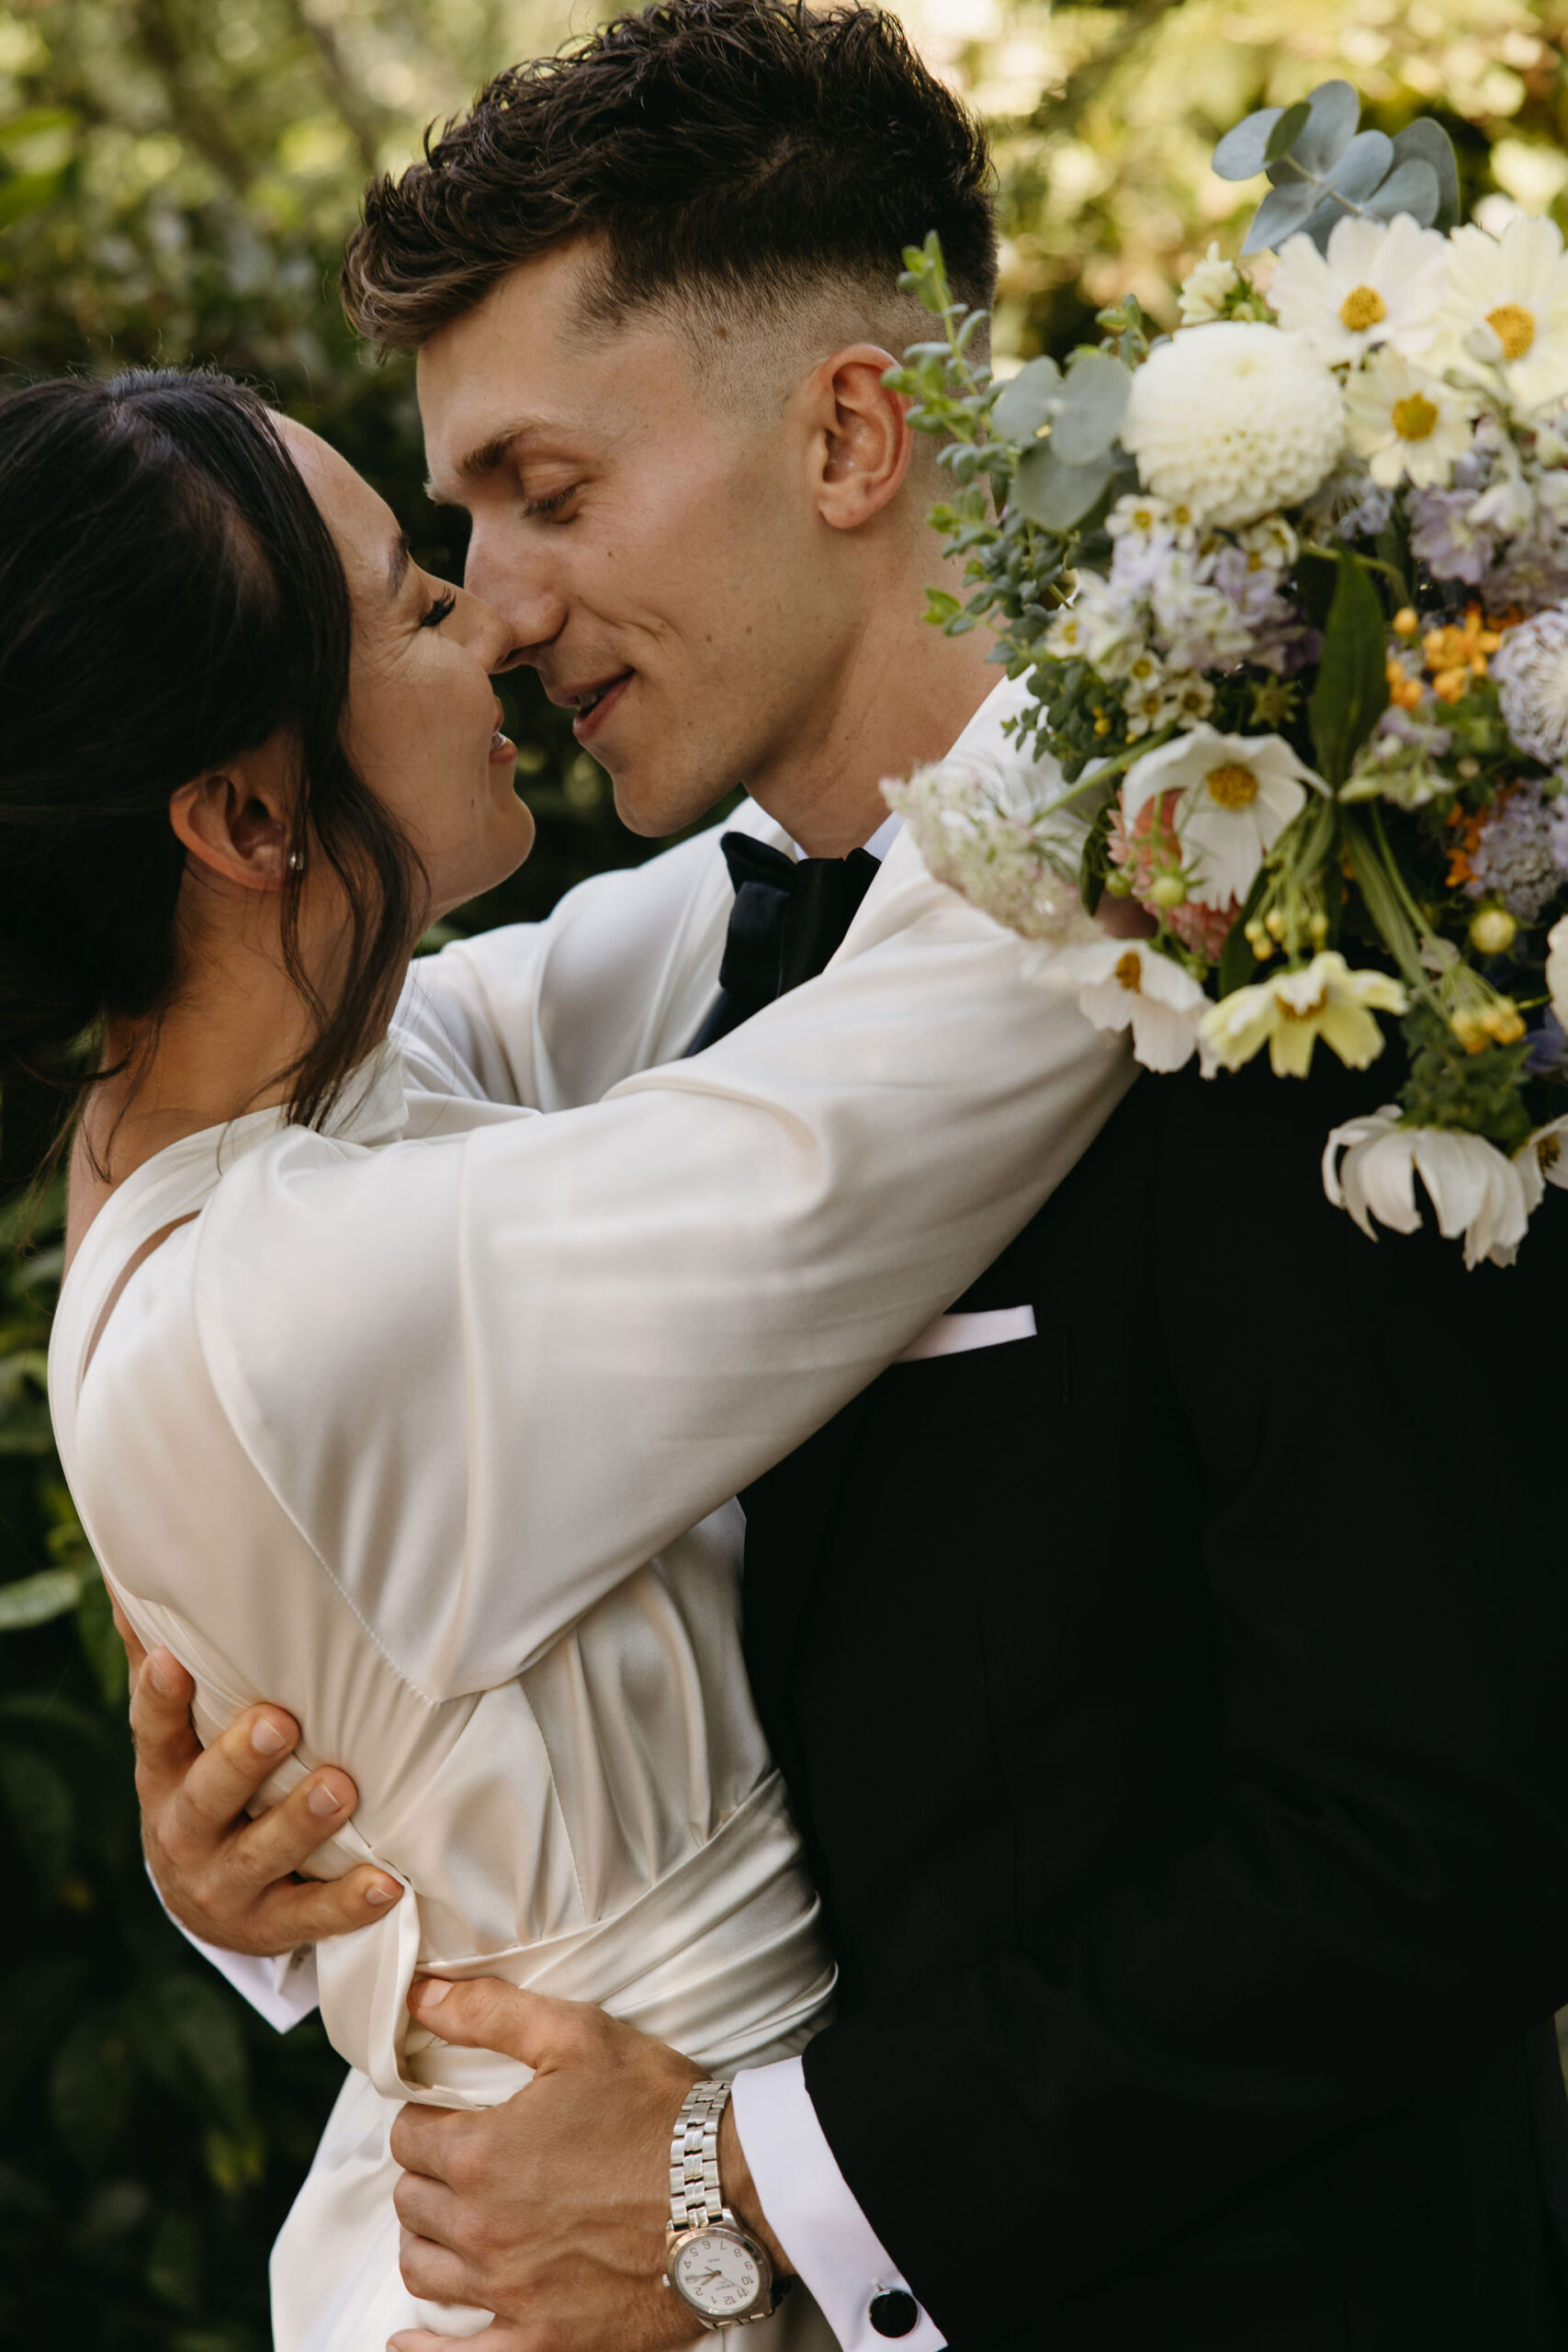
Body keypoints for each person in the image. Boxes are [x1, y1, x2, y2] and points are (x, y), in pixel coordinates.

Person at [129, 6, 1568, 2347]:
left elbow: (1445, 1829)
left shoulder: (1290, 934)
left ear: (851, 431)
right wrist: (281, 1828)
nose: (487, 605)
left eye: (550, 494)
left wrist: (752, 2183)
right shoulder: (636, 1012)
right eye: (457, 526)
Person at [26, 366, 1126, 2352]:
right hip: (608, 2263)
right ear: (247, 812)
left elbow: (743, 902)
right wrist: (1258, 571)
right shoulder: (314, 1293)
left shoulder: (261, 1114)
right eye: (417, 604)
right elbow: (931, 1050)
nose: (500, 617)